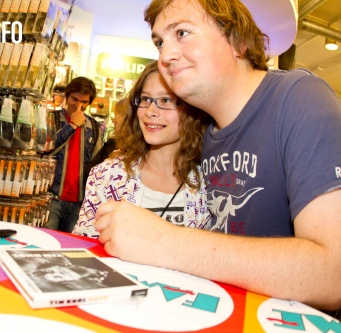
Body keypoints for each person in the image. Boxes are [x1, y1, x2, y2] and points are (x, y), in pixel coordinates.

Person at [93, 0, 341, 312]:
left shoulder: (299, 98)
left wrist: (164, 242)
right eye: (159, 41)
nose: (165, 55)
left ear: (237, 40)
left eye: (182, 32)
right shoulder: (203, 136)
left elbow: (334, 274)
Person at [73, 61, 211, 238]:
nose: (150, 111)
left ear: (191, 108)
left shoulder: (208, 184)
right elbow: (83, 251)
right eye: (145, 99)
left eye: (166, 100)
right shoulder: (108, 176)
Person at [45, 77, 103, 233]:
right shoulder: (53, 118)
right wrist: (72, 125)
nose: (78, 105)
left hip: (78, 202)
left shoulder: (94, 127)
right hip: (52, 197)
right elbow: (46, 149)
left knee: (70, 248)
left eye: (84, 102)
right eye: (74, 99)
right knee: (47, 244)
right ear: (67, 96)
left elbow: (96, 165)